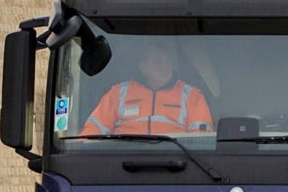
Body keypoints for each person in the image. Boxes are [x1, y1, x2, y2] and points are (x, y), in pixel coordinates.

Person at [82, 42, 213, 135]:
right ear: (142, 66)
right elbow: (93, 131)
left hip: (175, 164)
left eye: (168, 61)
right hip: (123, 164)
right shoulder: (118, 93)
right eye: (157, 62)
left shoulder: (192, 96)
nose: (165, 67)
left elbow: (201, 140)